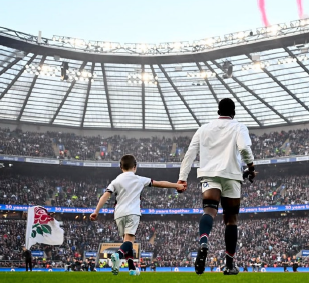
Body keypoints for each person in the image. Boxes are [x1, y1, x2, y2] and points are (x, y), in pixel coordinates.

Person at [178, 98, 255, 275]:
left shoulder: (203, 128)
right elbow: (244, 148)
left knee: (209, 212)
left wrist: (182, 178)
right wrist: (251, 167)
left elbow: (190, 154)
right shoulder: (239, 126)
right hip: (232, 176)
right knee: (231, 220)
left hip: (209, 175)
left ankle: (204, 242)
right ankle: (229, 265)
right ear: (233, 112)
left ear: (218, 111)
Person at [90, 154, 186, 276]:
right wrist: (177, 185)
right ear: (135, 167)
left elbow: (105, 195)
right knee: (129, 241)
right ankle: (117, 255)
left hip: (118, 214)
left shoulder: (116, 181)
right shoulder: (139, 179)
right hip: (133, 212)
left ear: (121, 167)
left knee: (126, 242)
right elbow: (160, 183)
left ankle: (131, 269)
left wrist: (96, 211)